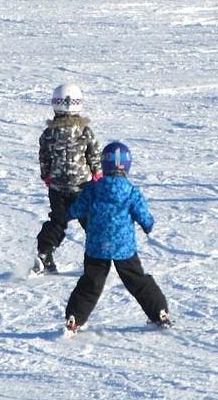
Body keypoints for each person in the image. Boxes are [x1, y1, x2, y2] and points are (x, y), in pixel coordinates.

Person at [64, 141, 171, 332]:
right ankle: (159, 312)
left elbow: (77, 209)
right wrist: (148, 225)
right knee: (137, 280)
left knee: (91, 282)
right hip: (124, 247)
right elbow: (143, 215)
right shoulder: (131, 192)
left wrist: (67, 212)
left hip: (97, 246)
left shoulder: (92, 189)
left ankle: (75, 318)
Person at [35, 83, 99, 274]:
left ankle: (45, 252)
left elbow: (44, 156)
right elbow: (94, 155)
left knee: (58, 221)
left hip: (58, 187)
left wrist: (46, 176)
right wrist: (97, 174)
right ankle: (98, 260)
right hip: (83, 187)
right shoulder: (85, 131)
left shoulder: (48, 133)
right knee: (91, 222)